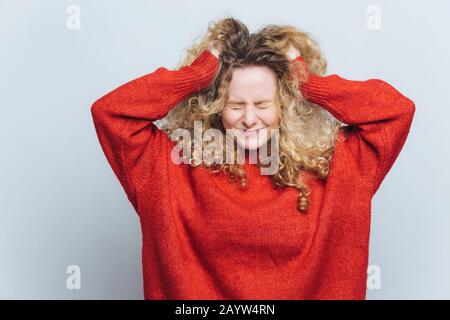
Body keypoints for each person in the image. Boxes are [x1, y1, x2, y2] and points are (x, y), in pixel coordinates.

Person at [91, 18, 415, 299]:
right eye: (235, 106)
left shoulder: (339, 165)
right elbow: (111, 113)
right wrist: (196, 76)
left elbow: (395, 112)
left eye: (262, 105)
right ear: (214, 106)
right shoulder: (169, 164)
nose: (249, 119)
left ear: (286, 103)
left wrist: (305, 80)